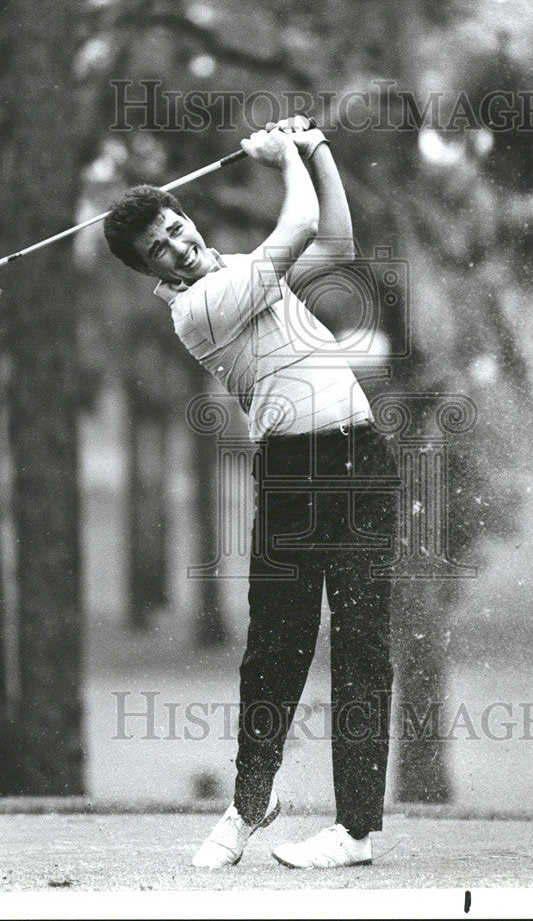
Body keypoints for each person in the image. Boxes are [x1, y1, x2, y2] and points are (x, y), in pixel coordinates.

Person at [103, 116, 398, 869]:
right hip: (294, 476)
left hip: (361, 460)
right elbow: (297, 222)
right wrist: (283, 155)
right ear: (152, 272)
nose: (176, 243)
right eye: (158, 250)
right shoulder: (198, 308)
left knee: (363, 644)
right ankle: (249, 803)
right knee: (277, 647)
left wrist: (319, 148)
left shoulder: (236, 268)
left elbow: (335, 243)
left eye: (173, 226)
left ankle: (354, 832)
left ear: (183, 214)